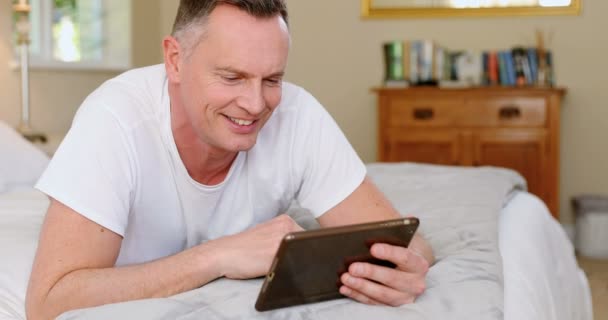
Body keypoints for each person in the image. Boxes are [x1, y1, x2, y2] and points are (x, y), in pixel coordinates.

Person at [25, 0, 434, 319]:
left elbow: (407, 241)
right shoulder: (114, 120)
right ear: (174, 60)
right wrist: (218, 256)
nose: (256, 104)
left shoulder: (297, 114)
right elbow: (48, 303)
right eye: (232, 77)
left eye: (272, 79)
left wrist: (404, 271)